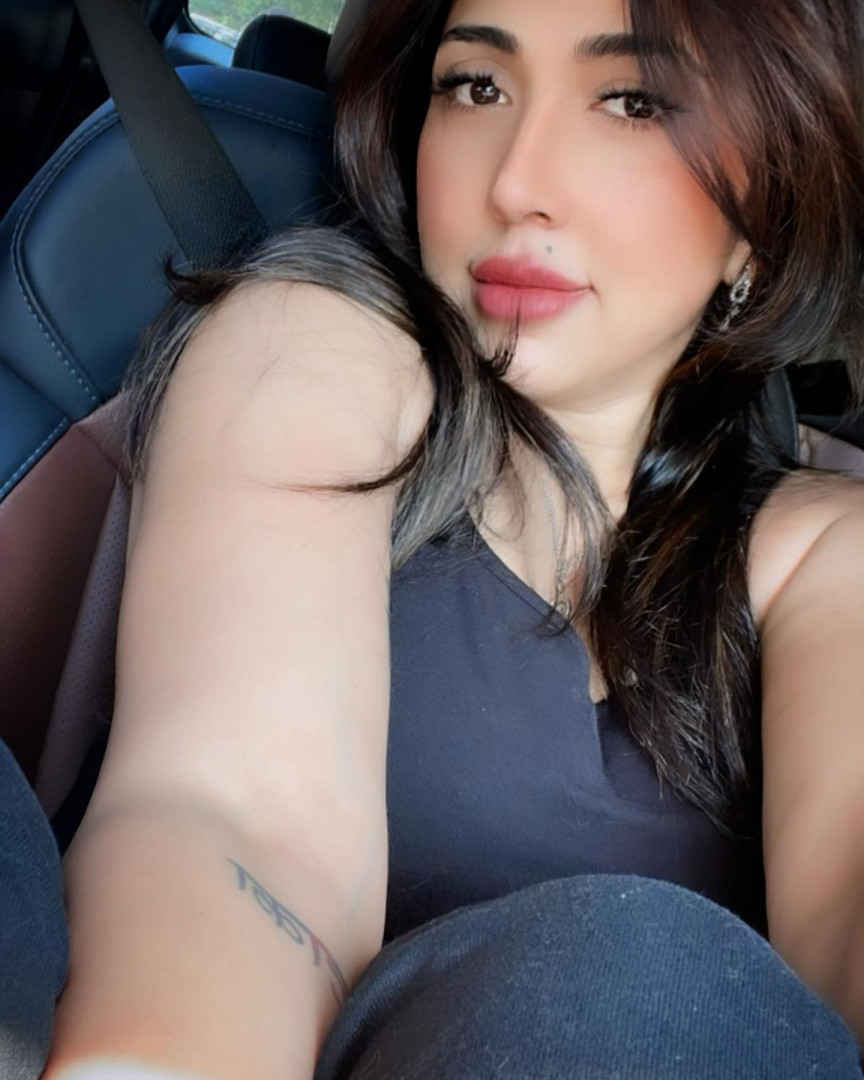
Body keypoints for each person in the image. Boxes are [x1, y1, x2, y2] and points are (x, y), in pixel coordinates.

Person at [35, 0, 864, 1076]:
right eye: (477, 87)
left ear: (767, 203)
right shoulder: (321, 345)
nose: (517, 181)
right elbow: (239, 815)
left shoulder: (816, 547)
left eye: (633, 102)